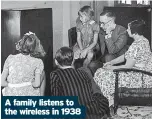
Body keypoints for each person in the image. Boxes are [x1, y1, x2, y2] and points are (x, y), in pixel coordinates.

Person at [93, 19, 152, 114]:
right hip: (142, 73)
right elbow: (126, 56)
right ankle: (107, 100)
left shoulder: (137, 44)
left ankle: (109, 103)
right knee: (102, 71)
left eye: (129, 29)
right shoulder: (144, 40)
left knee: (102, 74)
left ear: (135, 32)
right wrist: (111, 62)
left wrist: (111, 68)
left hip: (140, 76)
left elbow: (128, 66)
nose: (127, 31)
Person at [50, 47, 109, 119]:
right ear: (72, 61)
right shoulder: (83, 73)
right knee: (100, 98)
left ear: (56, 62)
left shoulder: (55, 74)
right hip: (91, 112)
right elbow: (89, 93)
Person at [1, 31, 46, 96]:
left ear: (20, 44)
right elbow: (36, 84)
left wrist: (12, 85)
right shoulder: (38, 62)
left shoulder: (10, 58)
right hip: (28, 96)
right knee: (43, 73)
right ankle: (41, 101)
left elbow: (2, 82)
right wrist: (29, 83)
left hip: (11, 95)